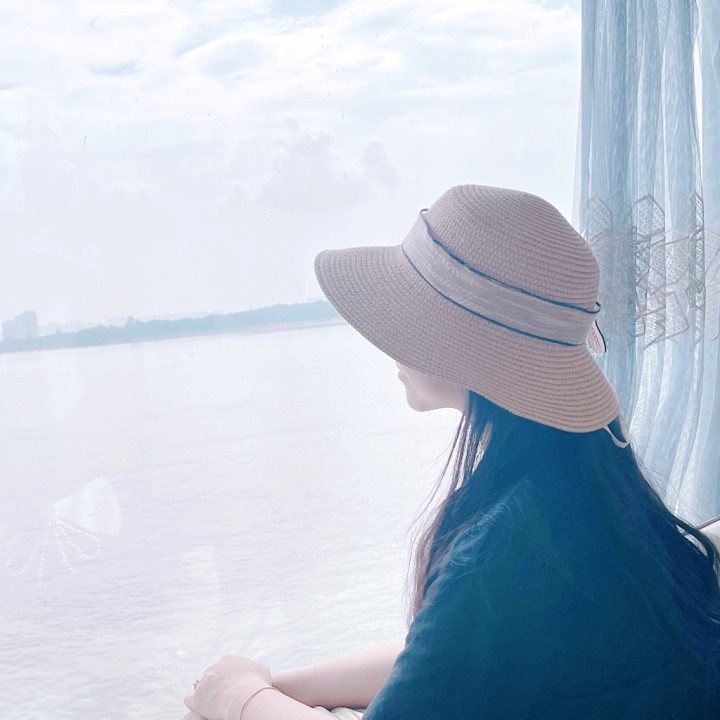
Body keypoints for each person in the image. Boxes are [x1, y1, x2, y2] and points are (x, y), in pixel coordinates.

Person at [183, 185, 720, 719]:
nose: (386, 341)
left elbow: (460, 637)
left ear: (463, 347)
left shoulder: (508, 540)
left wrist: (240, 699)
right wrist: (276, 686)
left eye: (407, 315)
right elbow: (448, 657)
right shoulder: (581, 488)